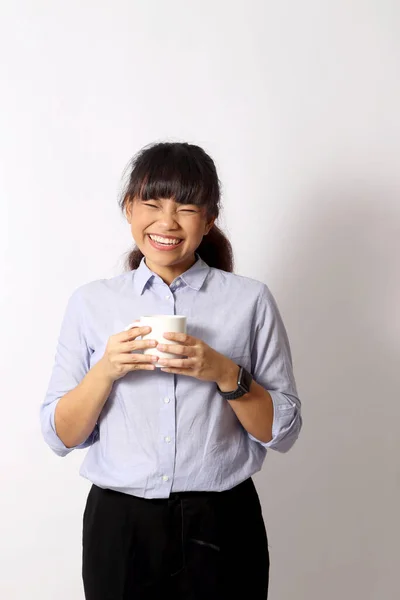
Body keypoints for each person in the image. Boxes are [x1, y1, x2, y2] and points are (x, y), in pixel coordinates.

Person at [40, 141, 302, 599]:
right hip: (120, 526)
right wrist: (106, 369)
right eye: (151, 203)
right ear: (128, 208)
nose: (167, 222)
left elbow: (281, 431)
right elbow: (60, 436)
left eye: (186, 207)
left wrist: (225, 372)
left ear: (209, 219)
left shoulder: (249, 300)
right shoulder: (91, 302)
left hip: (223, 521)